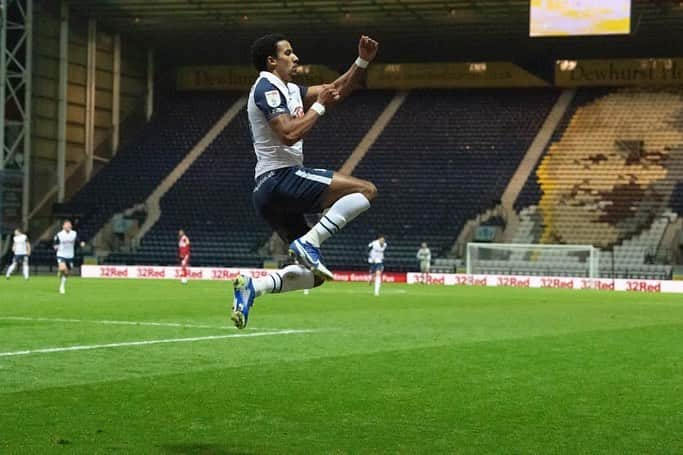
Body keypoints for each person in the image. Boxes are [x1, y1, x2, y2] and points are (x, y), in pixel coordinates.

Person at [231, 33, 380, 329]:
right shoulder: (266, 87)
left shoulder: (289, 89)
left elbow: (335, 89)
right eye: (288, 52)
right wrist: (319, 107)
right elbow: (288, 133)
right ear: (272, 61)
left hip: (269, 192)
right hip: (280, 178)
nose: (295, 57)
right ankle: (310, 242)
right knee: (366, 190)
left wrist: (362, 61)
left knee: (313, 276)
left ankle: (253, 288)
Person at [54, 220, 85, 294]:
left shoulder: (74, 234)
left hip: (70, 256)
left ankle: (62, 285)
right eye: (66, 225)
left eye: (69, 225)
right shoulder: (59, 235)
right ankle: (60, 271)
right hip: (61, 254)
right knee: (63, 268)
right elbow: (55, 243)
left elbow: (78, 240)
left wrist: (81, 243)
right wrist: (56, 247)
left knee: (67, 273)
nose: (68, 226)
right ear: (63, 226)